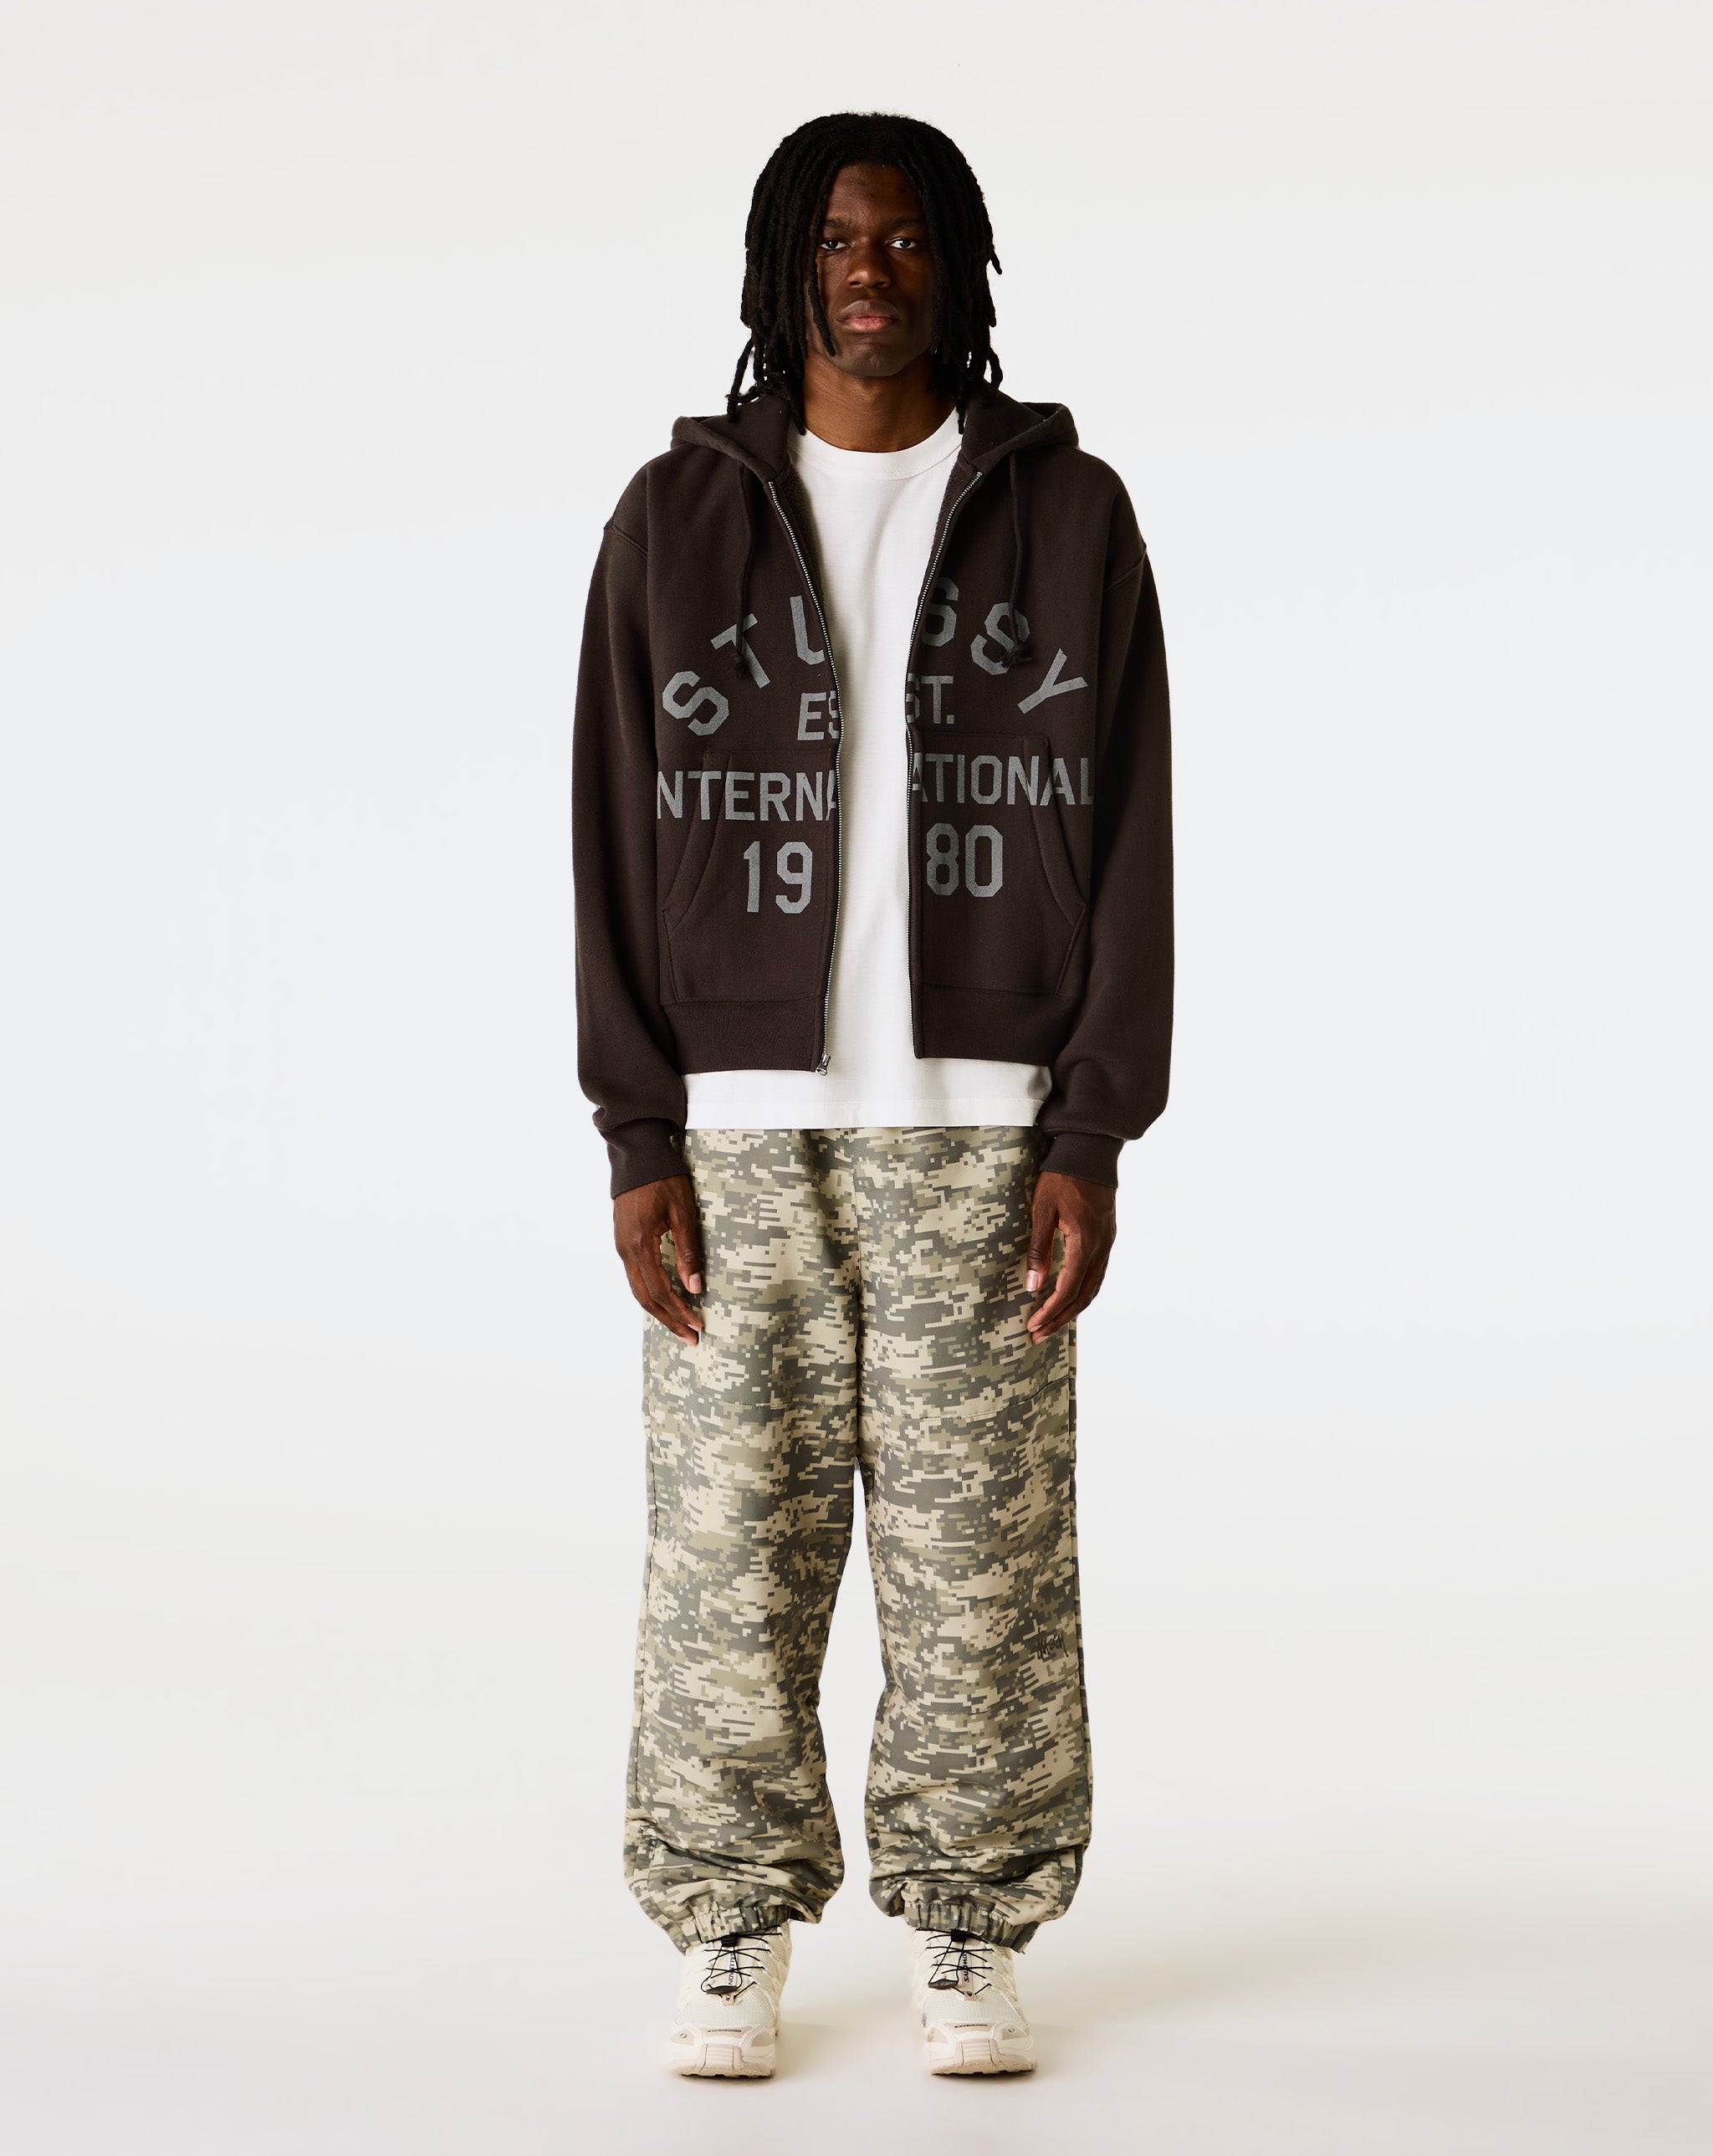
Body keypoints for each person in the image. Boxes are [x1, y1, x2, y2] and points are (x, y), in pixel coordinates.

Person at [572, 110, 1172, 2079]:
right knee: (726, 1557)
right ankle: (725, 1920)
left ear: (957, 267)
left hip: (982, 1126)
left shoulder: (1067, 514)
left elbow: (1133, 827)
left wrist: (1089, 1125)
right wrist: (638, 1127)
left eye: (906, 238)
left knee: (980, 1569)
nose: (869, 270)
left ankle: (973, 1924)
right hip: (736, 1135)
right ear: (782, 269)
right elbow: (609, 827)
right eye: (835, 239)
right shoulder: (675, 518)